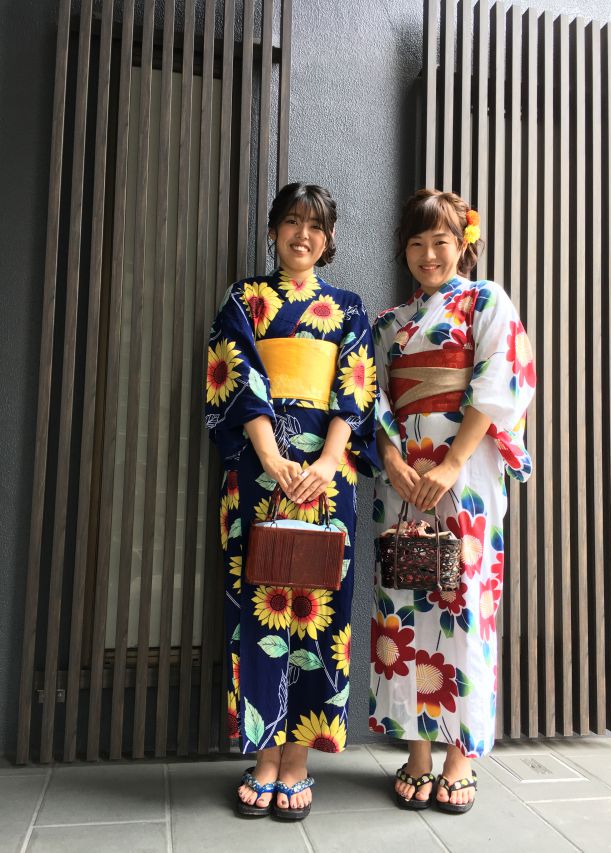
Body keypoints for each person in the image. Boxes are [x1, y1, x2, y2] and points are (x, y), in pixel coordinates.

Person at [205, 182, 378, 821]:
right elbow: (235, 376)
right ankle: (264, 756)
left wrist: (328, 462)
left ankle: (298, 758)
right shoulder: (245, 299)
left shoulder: (348, 308)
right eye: (292, 222)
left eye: (315, 226)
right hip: (259, 471)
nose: (302, 235)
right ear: (275, 230)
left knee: (319, 612)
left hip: (328, 479)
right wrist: (272, 458)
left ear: (328, 240)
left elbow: (355, 389)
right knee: (258, 605)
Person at [369, 188, 535, 814]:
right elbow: (372, 398)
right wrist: (392, 461)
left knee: (465, 602)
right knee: (404, 601)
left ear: (463, 242)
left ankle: (460, 756)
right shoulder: (391, 323)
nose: (428, 254)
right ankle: (417, 751)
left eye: (440, 241)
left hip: (465, 474)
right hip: (403, 481)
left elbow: (501, 379)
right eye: (416, 243)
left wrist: (454, 461)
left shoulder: (485, 300)